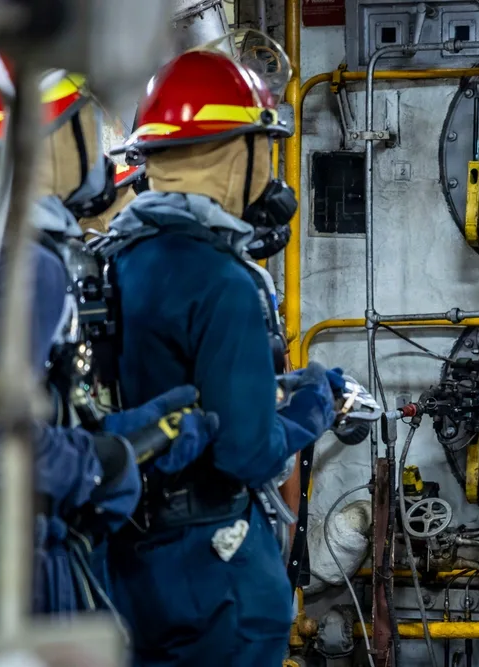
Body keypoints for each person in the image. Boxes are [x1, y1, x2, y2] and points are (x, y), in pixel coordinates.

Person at [0, 58, 219, 617]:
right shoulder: (24, 262)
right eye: (86, 123)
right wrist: (102, 462)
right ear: (49, 138)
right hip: (7, 559)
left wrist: (117, 433)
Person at [102, 46, 338, 665]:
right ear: (243, 153)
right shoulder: (221, 279)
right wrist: (316, 403)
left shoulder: (118, 258)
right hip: (217, 569)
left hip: (132, 561)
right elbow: (245, 451)